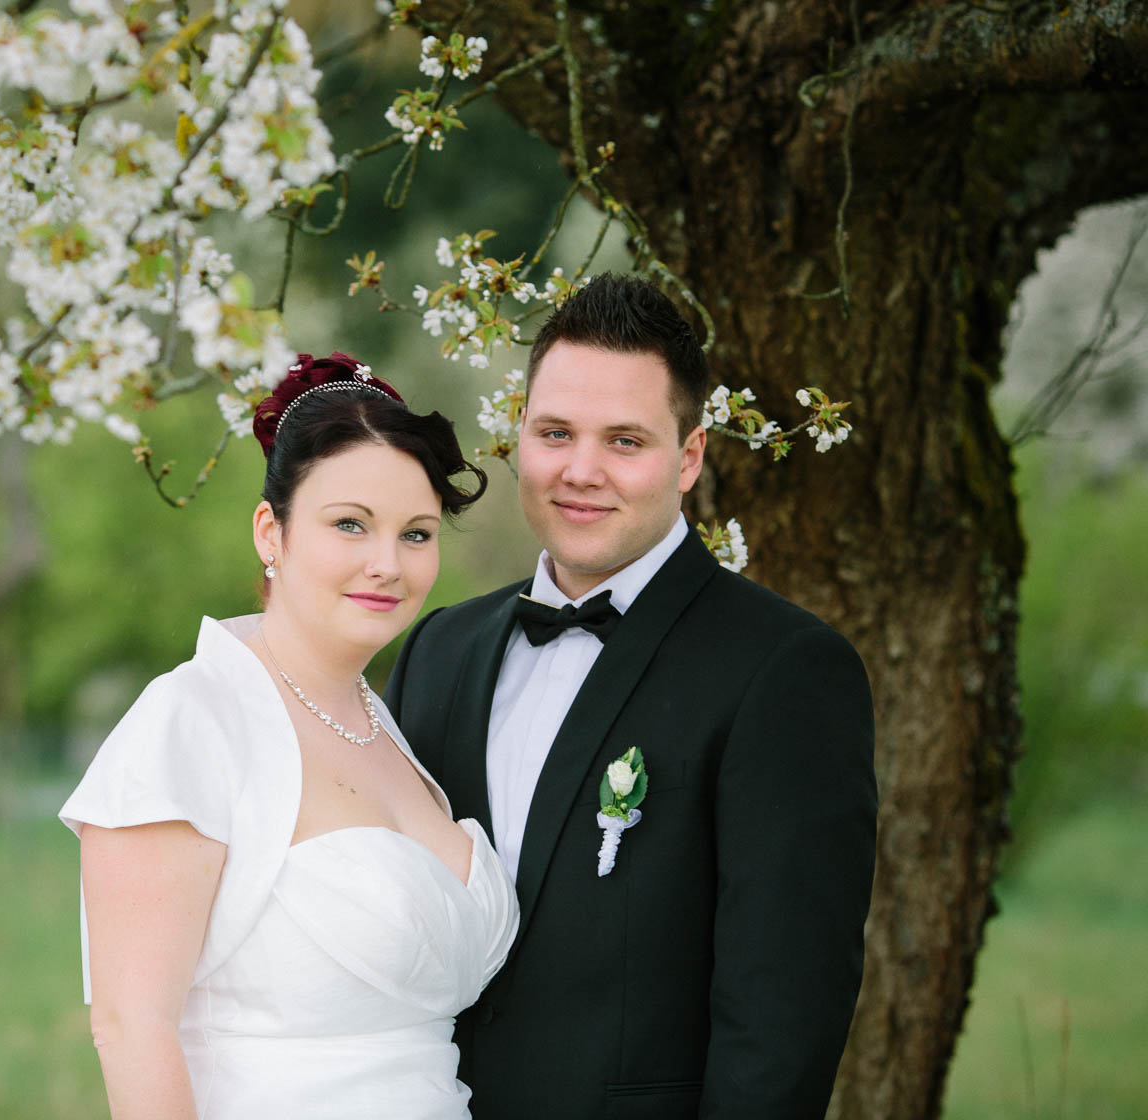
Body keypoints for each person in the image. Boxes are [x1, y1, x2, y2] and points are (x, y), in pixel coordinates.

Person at [384, 275, 878, 1119]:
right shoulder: (439, 648)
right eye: (555, 433)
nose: (581, 471)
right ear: (520, 437)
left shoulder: (786, 670)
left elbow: (782, 1020)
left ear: (688, 458)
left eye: (624, 441)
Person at [60, 352, 518, 1120]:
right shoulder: (193, 720)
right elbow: (131, 1030)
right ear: (271, 531)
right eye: (350, 525)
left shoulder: (384, 726)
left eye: (416, 533)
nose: (388, 564)